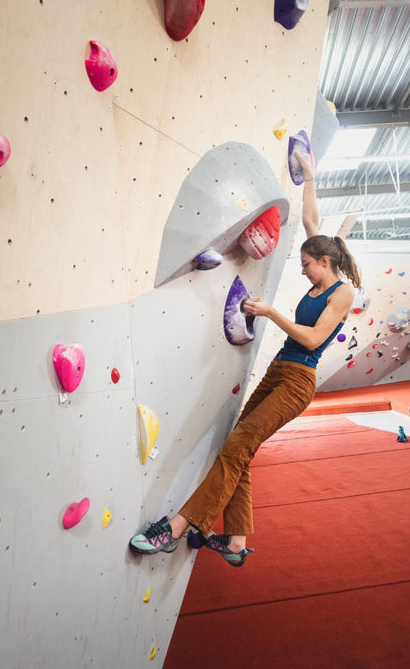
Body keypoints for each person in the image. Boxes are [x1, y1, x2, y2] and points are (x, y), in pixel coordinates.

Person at [129, 151, 362, 566]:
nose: (303, 270)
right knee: (241, 448)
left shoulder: (341, 293)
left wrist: (272, 313)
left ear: (325, 263)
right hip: (278, 373)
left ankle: (179, 526)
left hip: (297, 382)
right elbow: (312, 220)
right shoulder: (322, 251)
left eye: (307, 265)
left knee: (237, 446)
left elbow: (312, 339)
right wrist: (309, 174)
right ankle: (235, 541)